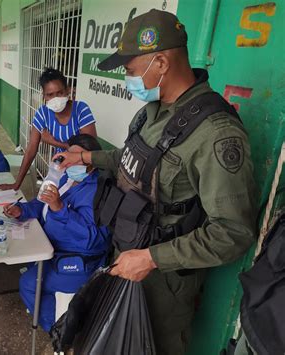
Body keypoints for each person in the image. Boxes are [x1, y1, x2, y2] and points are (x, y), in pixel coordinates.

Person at [54, 9, 257, 355]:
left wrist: (151, 258)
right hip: (127, 254)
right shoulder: (152, 111)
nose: (127, 79)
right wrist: (86, 158)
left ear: (160, 62)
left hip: (164, 287)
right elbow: (134, 162)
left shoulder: (216, 134)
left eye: (131, 71)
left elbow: (233, 233)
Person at [4, 134, 111, 332]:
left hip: (79, 259)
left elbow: (92, 238)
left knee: (29, 284)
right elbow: (42, 202)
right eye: (66, 156)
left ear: (91, 162)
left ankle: (58, 332)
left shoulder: (98, 192)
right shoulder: (66, 178)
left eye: (76, 157)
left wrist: (59, 207)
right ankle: (58, 320)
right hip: (54, 247)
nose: (68, 162)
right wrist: (22, 211)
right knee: (29, 262)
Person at [0, 68, 97, 191]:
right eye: (50, 95)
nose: (55, 99)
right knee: (47, 200)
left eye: (60, 93)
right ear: (44, 96)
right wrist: (17, 184)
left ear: (67, 90)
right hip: (60, 169)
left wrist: (55, 143)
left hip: (81, 171)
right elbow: (30, 150)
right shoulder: (43, 113)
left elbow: (90, 154)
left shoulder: (81, 110)